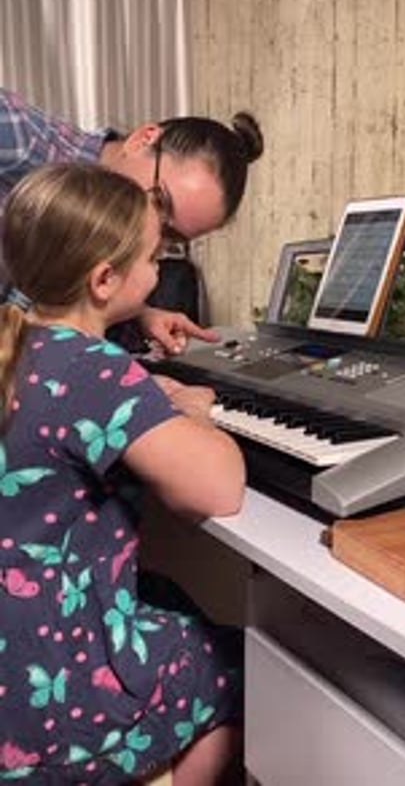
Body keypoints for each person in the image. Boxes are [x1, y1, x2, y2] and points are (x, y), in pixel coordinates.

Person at [0, 162, 246, 785]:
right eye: (153, 259)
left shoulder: (22, 342)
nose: (159, 272)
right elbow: (219, 487)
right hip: (44, 699)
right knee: (240, 665)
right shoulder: (90, 367)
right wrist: (191, 411)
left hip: (13, 652)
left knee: (167, 592)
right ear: (106, 279)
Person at [0, 86, 264, 353]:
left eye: (170, 237)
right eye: (159, 200)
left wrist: (135, 313)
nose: (149, 233)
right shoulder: (18, 137)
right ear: (142, 139)